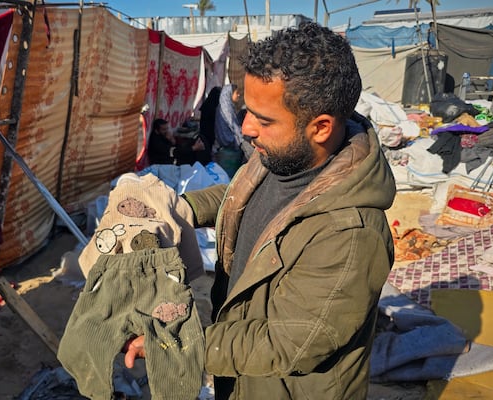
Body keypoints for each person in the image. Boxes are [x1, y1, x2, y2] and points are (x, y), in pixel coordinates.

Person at [123, 21, 396, 399]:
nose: (247, 128)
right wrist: (180, 209)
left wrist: (180, 343)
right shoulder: (282, 158)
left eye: (264, 120)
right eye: (247, 111)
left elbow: (286, 344)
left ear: (320, 127)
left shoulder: (350, 234)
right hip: (240, 374)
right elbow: (240, 197)